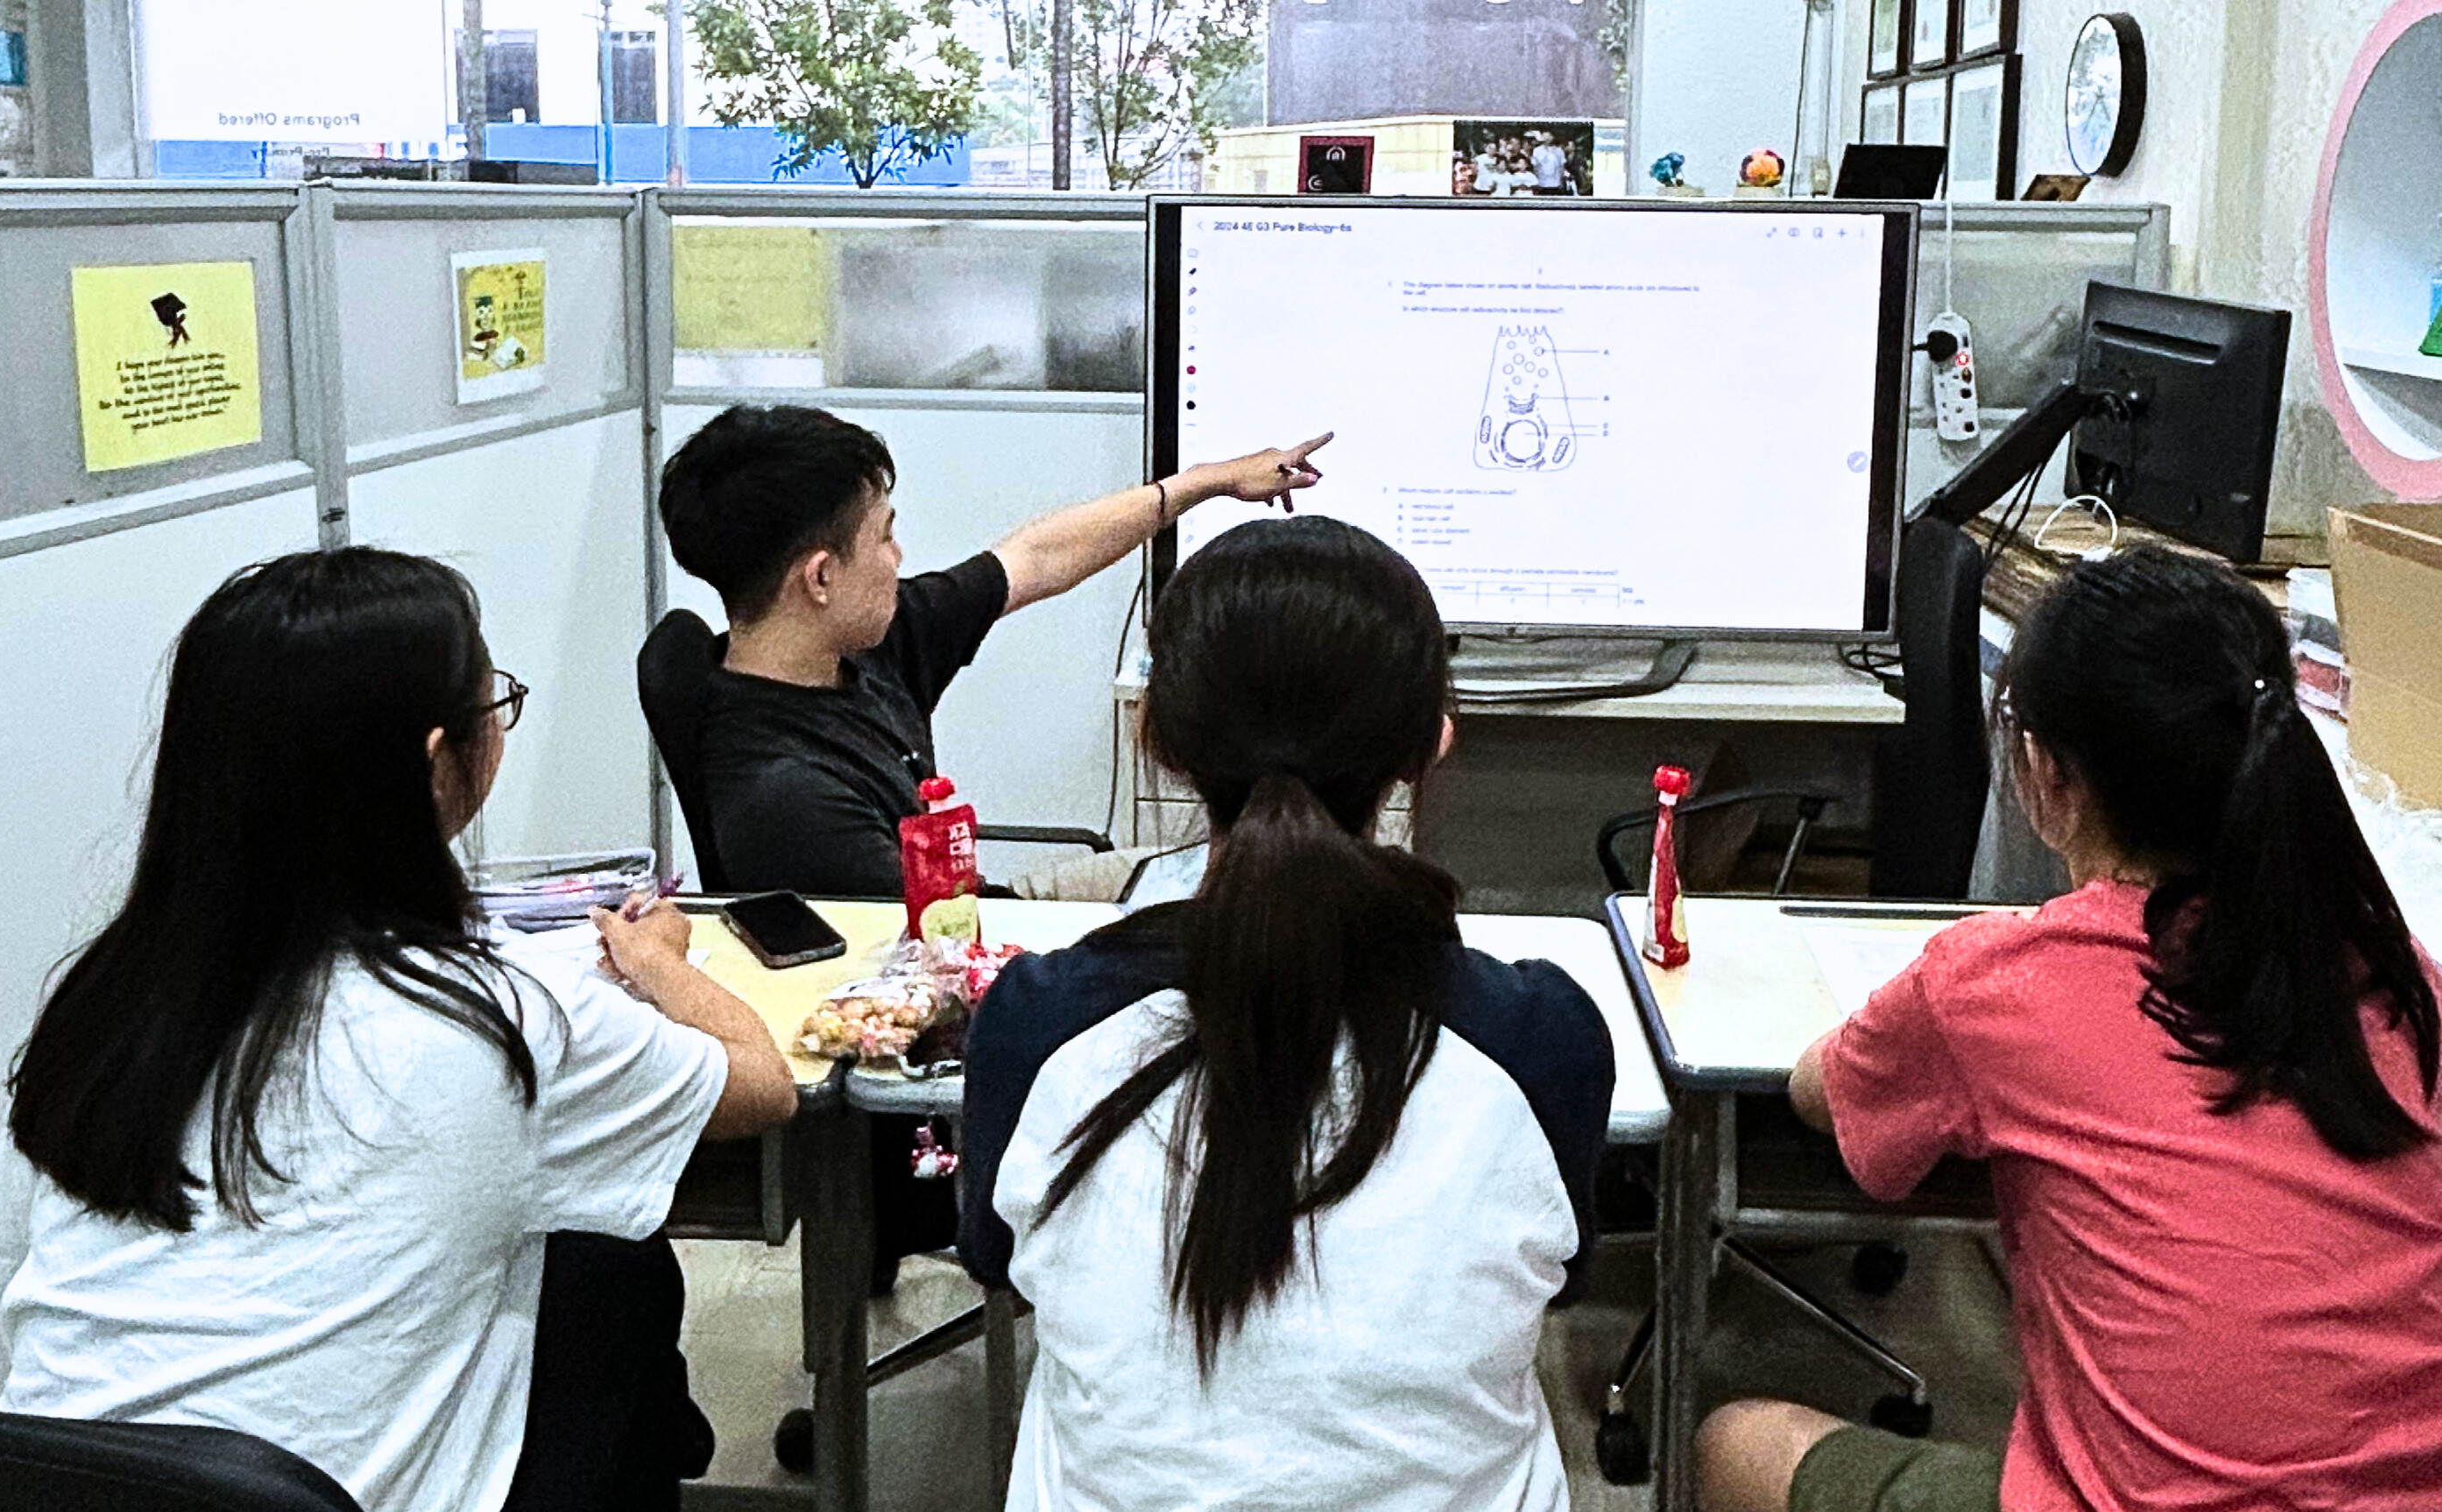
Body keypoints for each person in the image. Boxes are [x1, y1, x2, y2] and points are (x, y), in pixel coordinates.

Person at [0, 548, 795, 1512]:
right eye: (493, 704)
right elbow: (764, 1081)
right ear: (437, 763)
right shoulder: (499, 1019)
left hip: (42, 1485)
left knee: (593, 1271)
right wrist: (656, 960)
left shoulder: (103, 1003)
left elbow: (13, 1276)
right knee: (613, 1269)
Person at [1699, 546, 2442, 1512]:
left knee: (1734, 1443)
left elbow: (1821, 1097)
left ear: (2049, 773)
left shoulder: (2002, 983)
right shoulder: (2397, 971)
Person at [957, 516, 1614, 1512]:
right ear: (1430, 741)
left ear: (1154, 737)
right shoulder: (1538, 1037)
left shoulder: (1038, 1023)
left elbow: (994, 1260)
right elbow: (1557, 1281)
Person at [654, 402, 1330, 900]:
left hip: (969, 905)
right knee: (1242, 896)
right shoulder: (788, 802)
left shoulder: (860, 643)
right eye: (884, 537)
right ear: (821, 577)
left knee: (1227, 874)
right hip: (965, 944)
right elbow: (949, 953)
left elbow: (1036, 558)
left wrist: (1209, 481)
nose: (898, 557)